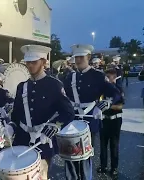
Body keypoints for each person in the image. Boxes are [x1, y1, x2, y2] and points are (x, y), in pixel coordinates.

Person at [4, 45, 75, 180]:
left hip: (42, 140)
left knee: (40, 177)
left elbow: (68, 112)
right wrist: (11, 126)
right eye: (28, 62)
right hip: (22, 139)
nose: (30, 66)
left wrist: (53, 126)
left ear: (43, 62)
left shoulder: (54, 85)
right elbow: (17, 113)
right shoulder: (22, 86)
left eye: (34, 62)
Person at [63, 44, 121, 180]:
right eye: (76, 57)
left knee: (85, 156)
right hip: (72, 120)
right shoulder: (69, 77)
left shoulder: (98, 76)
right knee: (69, 156)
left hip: (89, 121)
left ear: (88, 57)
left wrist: (102, 105)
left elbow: (115, 94)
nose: (78, 60)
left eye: (81, 57)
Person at [97, 68, 124, 179]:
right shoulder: (103, 89)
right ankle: (103, 166)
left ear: (115, 77)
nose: (108, 78)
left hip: (115, 120)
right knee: (103, 145)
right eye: (107, 76)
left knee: (113, 145)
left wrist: (109, 106)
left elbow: (120, 106)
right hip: (104, 120)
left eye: (110, 76)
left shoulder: (118, 89)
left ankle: (114, 168)